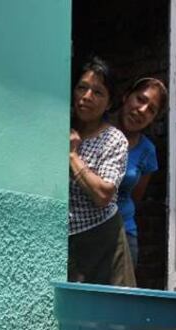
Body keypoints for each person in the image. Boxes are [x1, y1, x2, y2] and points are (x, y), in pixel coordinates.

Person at [68, 57, 136, 286]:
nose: (87, 97)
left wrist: (72, 156)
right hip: (67, 242)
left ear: (109, 103)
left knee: (113, 314)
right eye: (82, 88)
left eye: (98, 92)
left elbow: (103, 195)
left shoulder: (113, 139)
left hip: (104, 241)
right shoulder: (60, 127)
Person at [114, 77, 167, 268]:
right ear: (126, 96)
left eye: (151, 110)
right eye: (140, 99)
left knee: (121, 297)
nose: (142, 110)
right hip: (85, 228)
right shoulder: (96, 127)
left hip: (123, 232)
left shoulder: (147, 151)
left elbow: (135, 197)